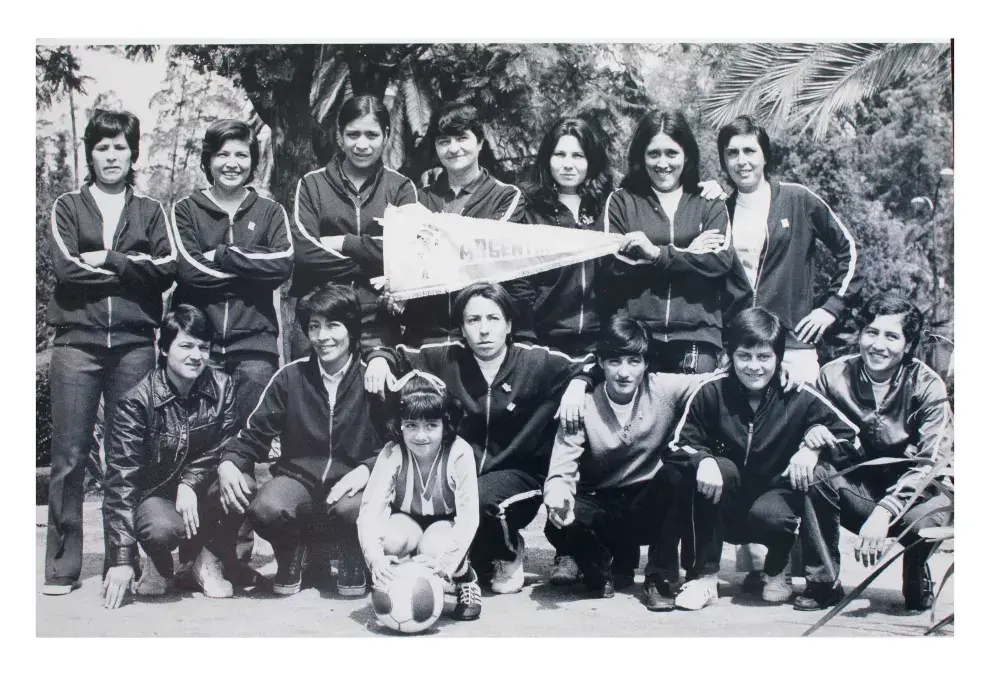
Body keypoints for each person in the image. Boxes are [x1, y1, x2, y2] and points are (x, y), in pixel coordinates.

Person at [365, 281, 592, 594]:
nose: (484, 330)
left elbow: (589, 363)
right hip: (464, 474)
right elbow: (400, 355)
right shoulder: (445, 358)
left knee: (485, 501)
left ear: (509, 324)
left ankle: (509, 551)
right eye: (473, 320)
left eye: (493, 319)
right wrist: (379, 359)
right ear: (462, 327)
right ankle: (476, 553)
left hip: (519, 476)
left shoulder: (534, 360)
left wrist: (579, 384)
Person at [44, 109, 177, 596]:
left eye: (120, 146)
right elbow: (65, 269)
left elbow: (166, 269)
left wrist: (110, 258)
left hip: (134, 345)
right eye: (102, 147)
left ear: (134, 152)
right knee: (70, 456)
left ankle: (125, 560)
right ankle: (61, 566)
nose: (112, 155)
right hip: (76, 344)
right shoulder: (66, 205)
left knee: (130, 456)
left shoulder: (151, 211)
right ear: (90, 154)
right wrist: (131, 271)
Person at [663, 307, 860, 610]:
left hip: (773, 501)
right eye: (744, 356)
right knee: (716, 468)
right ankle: (705, 578)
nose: (754, 367)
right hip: (723, 502)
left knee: (773, 512)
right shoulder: (710, 392)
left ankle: (776, 568)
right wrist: (703, 460)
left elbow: (851, 439)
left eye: (764, 357)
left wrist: (814, 448)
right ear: (730, 356)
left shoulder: (799, 395)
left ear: (779, 358)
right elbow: (677, 445)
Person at [216, 284, 387, 597]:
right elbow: (254, 433)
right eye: (314, 327)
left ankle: (352, 553)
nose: (323, 337)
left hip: (354, 486)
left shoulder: (371, 377)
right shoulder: (290, 377)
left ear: (351, 329)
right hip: (300, 482)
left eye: (333, 325)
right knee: (266, 507)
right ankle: (294, 552)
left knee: (356, 509)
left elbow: (396, 444)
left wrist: (367, 468)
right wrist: (230, 462)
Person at [794, 292, 953, 612]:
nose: (878, 344)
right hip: (860, 490)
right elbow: (810, 421)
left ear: (908, 345)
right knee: (811, 471)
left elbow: (932, 462)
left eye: (892, 336)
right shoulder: (832, 374)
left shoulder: (927, 384)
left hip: (914, 498)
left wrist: (884, 512)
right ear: (860, 335)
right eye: (872, 332)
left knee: (935, 512)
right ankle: (823, 581)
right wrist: (808, 443)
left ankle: (916, 568)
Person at [543, 314, 711, 608]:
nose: (624, 372)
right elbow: (561, 469)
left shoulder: (662, 389)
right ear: (601, 363)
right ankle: (601, 566)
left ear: (646, 364)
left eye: (634, 361)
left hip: (648, 505)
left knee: (676, 475)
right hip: (603, 505)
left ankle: (659, 577)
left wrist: (774, 374)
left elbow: (714, 381)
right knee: (556, 522)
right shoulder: (581, 404)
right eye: (614, 361)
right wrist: (558, 496)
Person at [102, 305, 242, 608]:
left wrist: (190, 481)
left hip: (203, 491)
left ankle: (206, 562)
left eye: (203, 347)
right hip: (159, 499)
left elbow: (228, 443)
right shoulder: (137, 401)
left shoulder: (223, 387)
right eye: (186, 345)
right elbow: (121, 479)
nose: (196, 356)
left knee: (241, 481)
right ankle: (159, 562)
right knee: (161, 528)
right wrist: (122, 558)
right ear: (164, 348)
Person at [718, 115, 862, 384]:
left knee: (800, 422)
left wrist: (831, 307)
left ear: (765, 156)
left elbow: (850, 250)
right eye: (732, 153)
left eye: (750, 151)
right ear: (724, 160)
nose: (742, 161)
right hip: (740, 349)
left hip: (794, 345)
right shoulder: (719, 211)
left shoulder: (797, 199)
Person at [171, 119, 294, 428]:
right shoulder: (186, 209)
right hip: (199, 345)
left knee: (247, 447)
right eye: (223, 154)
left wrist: (223, 255)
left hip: (255, 348)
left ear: (252, 161)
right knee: (192, 444)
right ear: (208, 159)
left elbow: (282, 265)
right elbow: (189, 271)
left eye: (241, 155)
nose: (232, 164)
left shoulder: (270, 211)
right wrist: (254, 269)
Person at [598, 109, 735, 375]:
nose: (663, 163)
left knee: (694, 416)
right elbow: (612, 265)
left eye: (672, 153)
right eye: (654, 154)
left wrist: (655, 254)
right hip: (634, 337)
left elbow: (720, 261)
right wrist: (688, 253)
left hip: (697, 337)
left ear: (687, 155)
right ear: (641, 156)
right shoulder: (622, 201)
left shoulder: (709, 201)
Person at [291, 95, 419, 356]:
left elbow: (409, 253)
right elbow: (304, 252)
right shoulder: (312, 185)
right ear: (340, 135)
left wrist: (344, 242)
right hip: (319, 321)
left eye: (371, 135)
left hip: (378, 324)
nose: (362, 144)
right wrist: (378, 264)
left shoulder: (401, 188)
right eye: (353, 134)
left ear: (386, 135)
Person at [357, 372, 482, 620]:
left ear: (446, 423)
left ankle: (465, 578)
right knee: (388, 541)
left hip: (446, 523)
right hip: (407, 521)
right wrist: (375, 559)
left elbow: (469, 518)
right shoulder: (392, 451)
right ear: (398, 424)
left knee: (434, 549)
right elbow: (370, 510)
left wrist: (446, 564)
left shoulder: (459, 452)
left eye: (431, 425)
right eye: (411, 425)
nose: (421, 436)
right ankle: (405, 580)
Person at [398, 103, 525, 346]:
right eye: (444, 141)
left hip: (481, 337)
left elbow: (485, 252)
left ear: (479, 142)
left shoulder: (507, 196)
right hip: (424, 335)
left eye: (462, 138)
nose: (453, 148)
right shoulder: (418, 198)